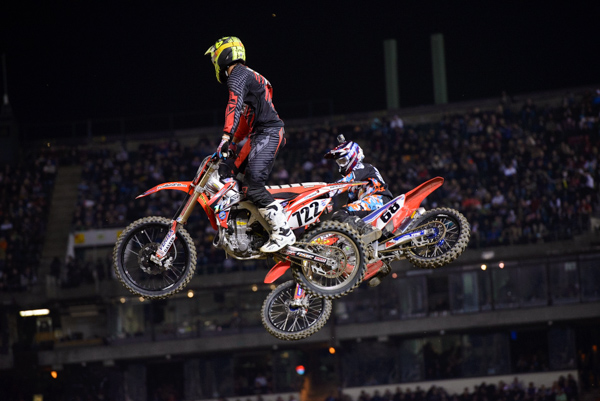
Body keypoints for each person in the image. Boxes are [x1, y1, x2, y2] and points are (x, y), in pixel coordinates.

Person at [204, 36, 295, 252]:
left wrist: (226, 137)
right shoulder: (247, 75)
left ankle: (283, 232)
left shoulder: (237, 74)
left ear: (224, 55)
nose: (214, 61)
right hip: (260, 134)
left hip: (268, 132)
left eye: (215, 57)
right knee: (231, 178)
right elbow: (246, 117)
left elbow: (234, 105)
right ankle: (244, 228)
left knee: (253, 186)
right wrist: (233, 142)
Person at [324, 137, 393, 245]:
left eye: (343, 161)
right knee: (341, 218)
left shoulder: (364, 168)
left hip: (380, 200)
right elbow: (351, 206)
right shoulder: (353, 186)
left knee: (340, 214)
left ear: (354, 157)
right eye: (339, 162)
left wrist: (325, 192)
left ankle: (368, 230)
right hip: (373, 204)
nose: (341, 165)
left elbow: (346, 181)